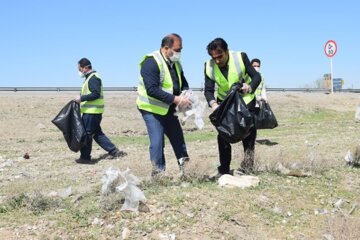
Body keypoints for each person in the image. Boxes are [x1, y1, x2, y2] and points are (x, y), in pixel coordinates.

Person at [204, 38, 261, 177]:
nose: (217, 61)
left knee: (248, 134)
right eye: (214, 57)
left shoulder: (240, 57)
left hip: (245, 101)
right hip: (224, 105)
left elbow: (256, 77)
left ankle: (248, 167)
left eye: (220, 56)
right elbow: (208, 90)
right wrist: (213, 104)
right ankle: (224, 169)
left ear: (226, 51)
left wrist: (250, 87)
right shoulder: (208, 66)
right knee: (223, 136)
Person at [136, 33, 192, 176]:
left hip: (168, 108)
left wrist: (185, 93)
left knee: (178, 138)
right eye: (178, 49)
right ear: (166, 48)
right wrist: (177, 100)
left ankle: (187, 170)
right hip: (151, 108)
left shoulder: (176, 63)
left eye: (181, 49)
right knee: (157, 141)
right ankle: (158, 174)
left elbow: (182, 82)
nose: (180, 53)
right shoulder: (151, 62)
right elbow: (152, 90)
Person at [74, 58, 126, 164]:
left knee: (87, 134)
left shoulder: (93, 78)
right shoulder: (89, 78)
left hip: (92, 112)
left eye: (80, 69)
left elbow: (95, 94)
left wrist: (81, 98)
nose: (79, 71)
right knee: (97, 133)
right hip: (93, 112)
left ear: (85, 68)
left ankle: (85, 157)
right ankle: (114, 151)